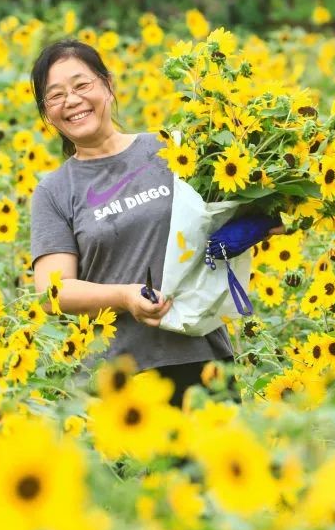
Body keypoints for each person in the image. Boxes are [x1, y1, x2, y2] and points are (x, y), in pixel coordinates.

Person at [29, 39, 275, 408]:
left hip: (201, 359)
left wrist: (260, 218)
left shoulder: (169, 149)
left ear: (107, 85)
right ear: (47, 114)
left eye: (81, 85)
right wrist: (125, 297)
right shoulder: (54, 190)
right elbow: (53, 292)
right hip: (118, 375)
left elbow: (241, 199)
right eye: (56, 95)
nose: (72, 101)